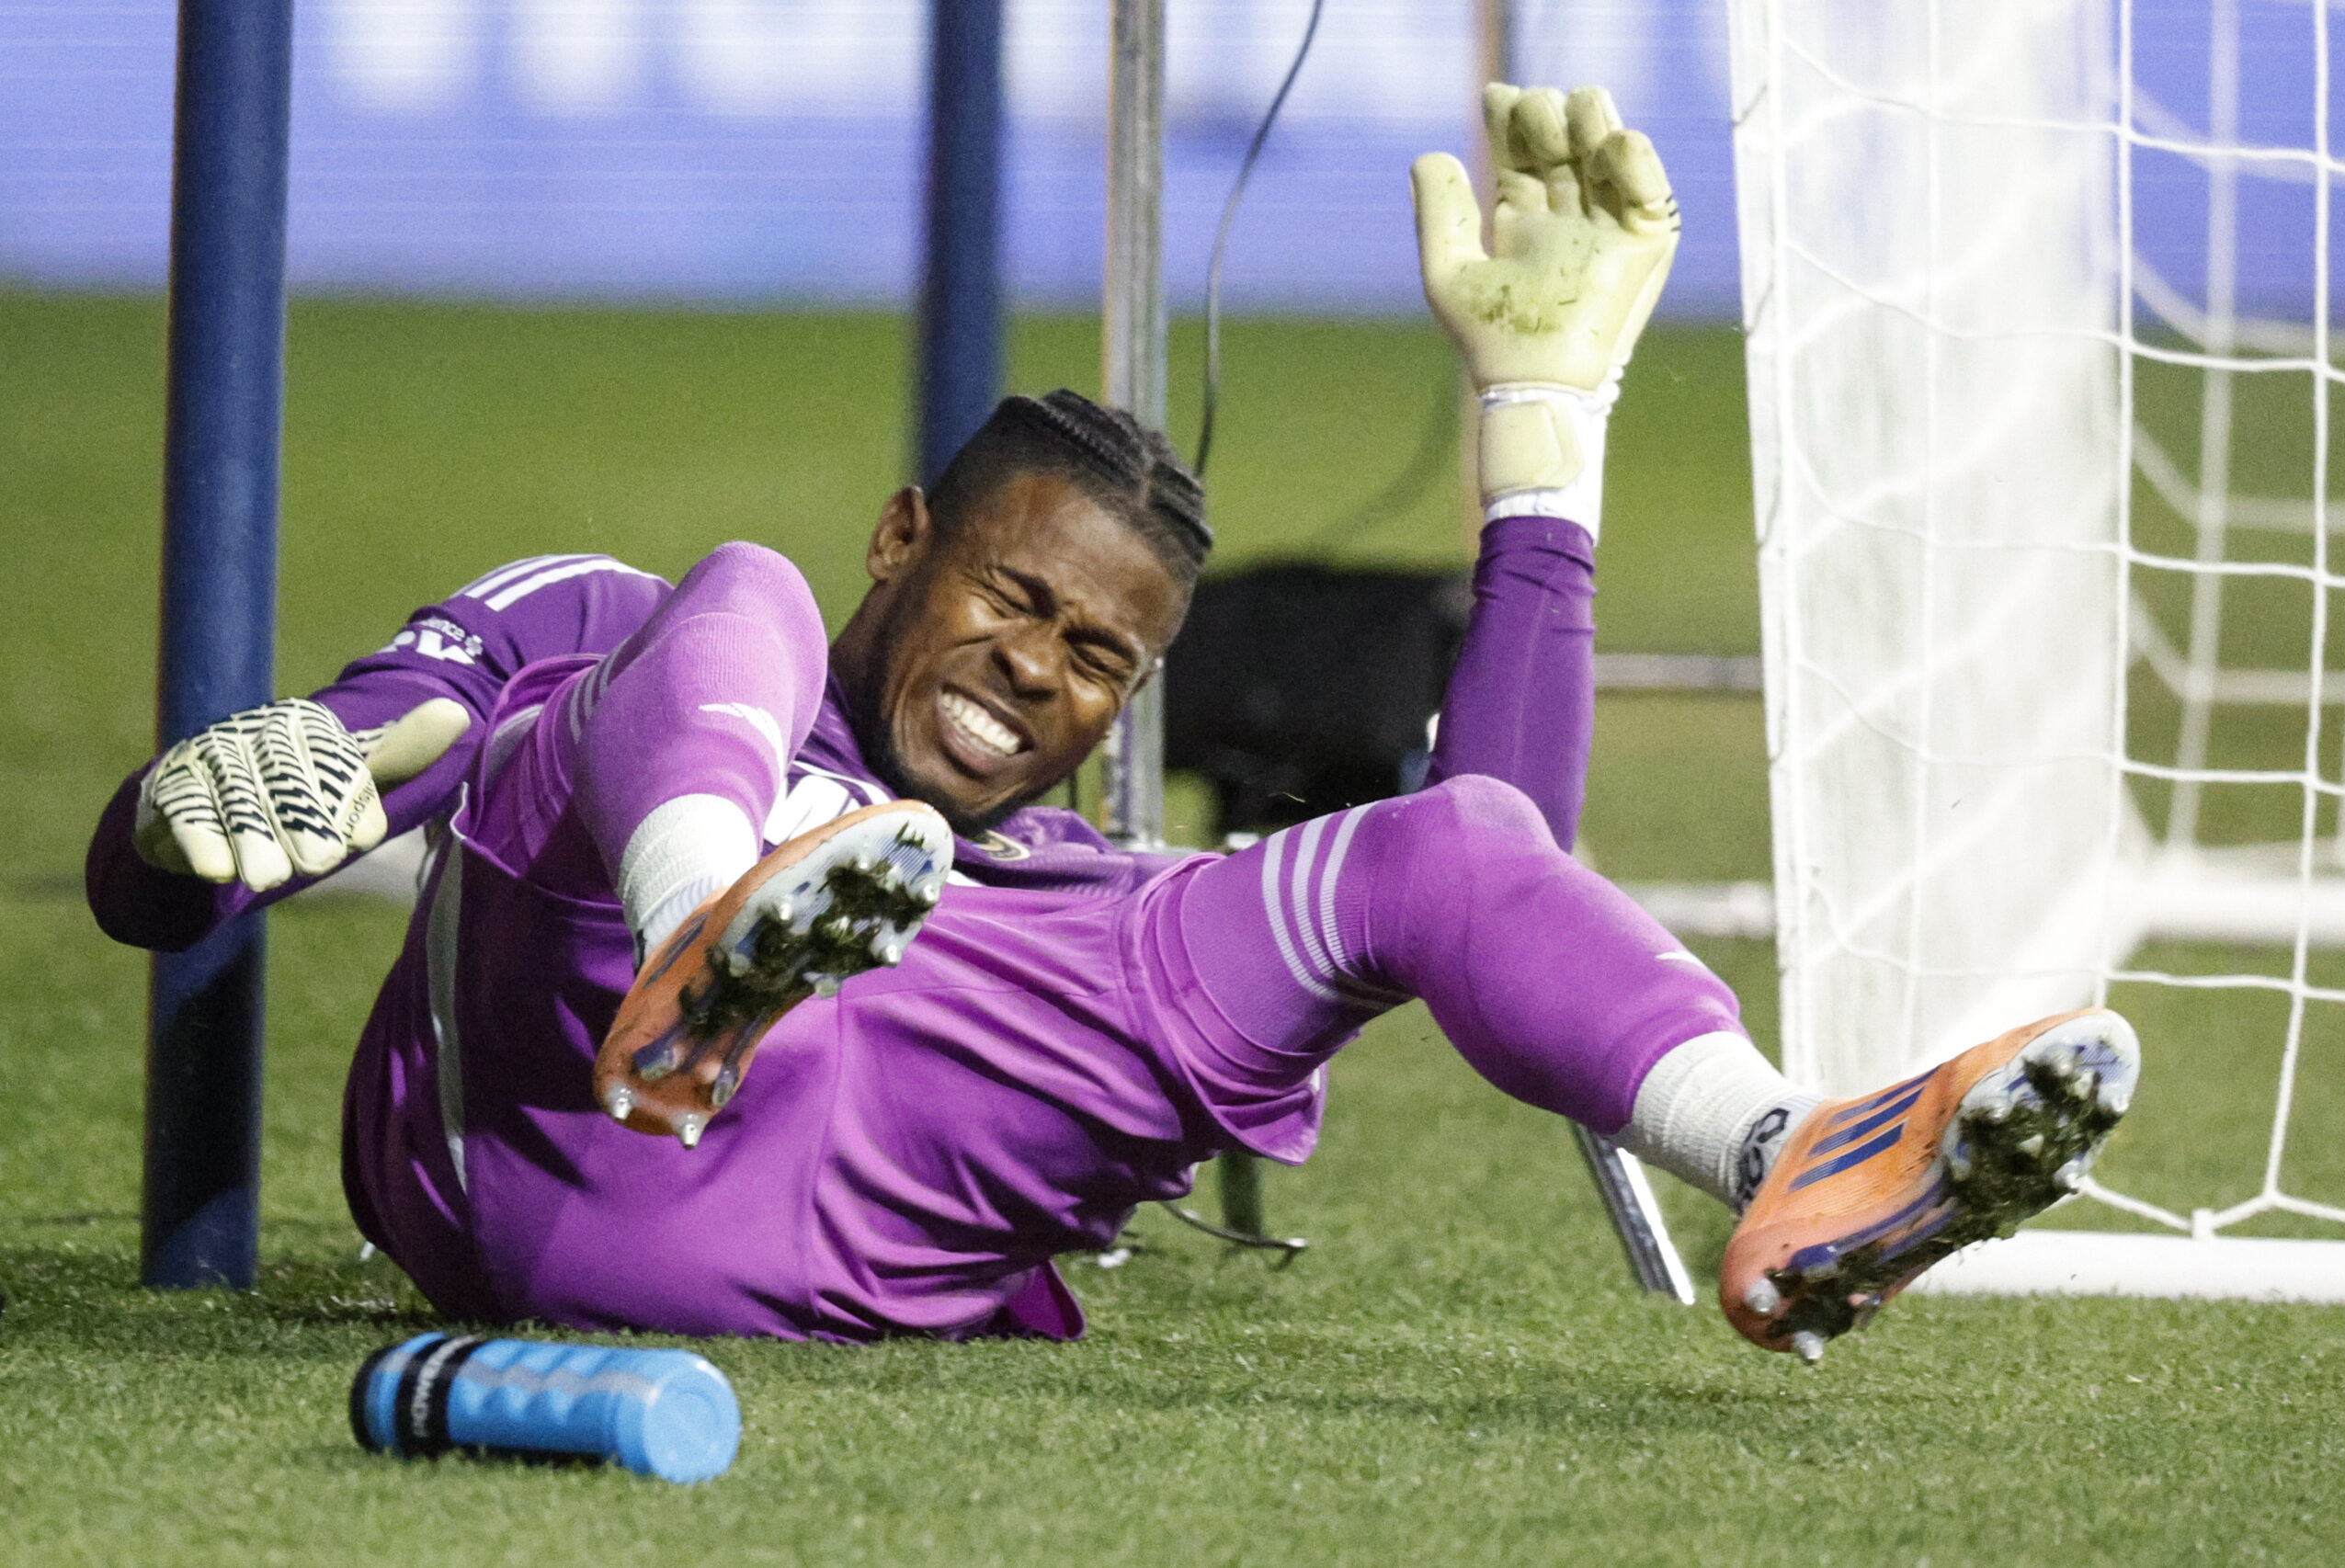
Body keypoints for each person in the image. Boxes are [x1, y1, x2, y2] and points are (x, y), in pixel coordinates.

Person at [88, 85, 2138, 1362]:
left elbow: (1492, 859)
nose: (1033, 670)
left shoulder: (1058, 874)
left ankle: (1792, 1150)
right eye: (1008, 597)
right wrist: (185, 822)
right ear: (906, 538)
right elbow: (211, 843)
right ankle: (707, 909)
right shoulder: (621, 634)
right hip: (566, 1130)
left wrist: (1543, 428)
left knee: (1424, 857)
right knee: (724, 591)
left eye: (1097, 658)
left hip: (879, 1166)